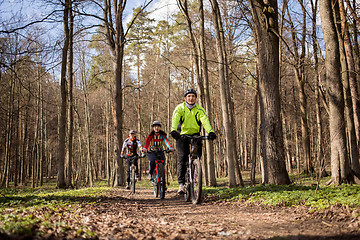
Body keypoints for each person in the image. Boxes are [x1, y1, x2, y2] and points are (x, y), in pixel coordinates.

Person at [170, 88, 216, 194]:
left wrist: (210, 132)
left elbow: (205, 120)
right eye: (189, 96)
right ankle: (181, 184)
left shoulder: (199, 109)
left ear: (196, 98)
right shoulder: (180, 108)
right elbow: (175, 119)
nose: (191, 98)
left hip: (195, 135)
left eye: (193, 96)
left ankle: (195, 171)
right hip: (181, 135)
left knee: (197, 156)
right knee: (182, 158)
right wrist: (173, 130)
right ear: (185, 98)